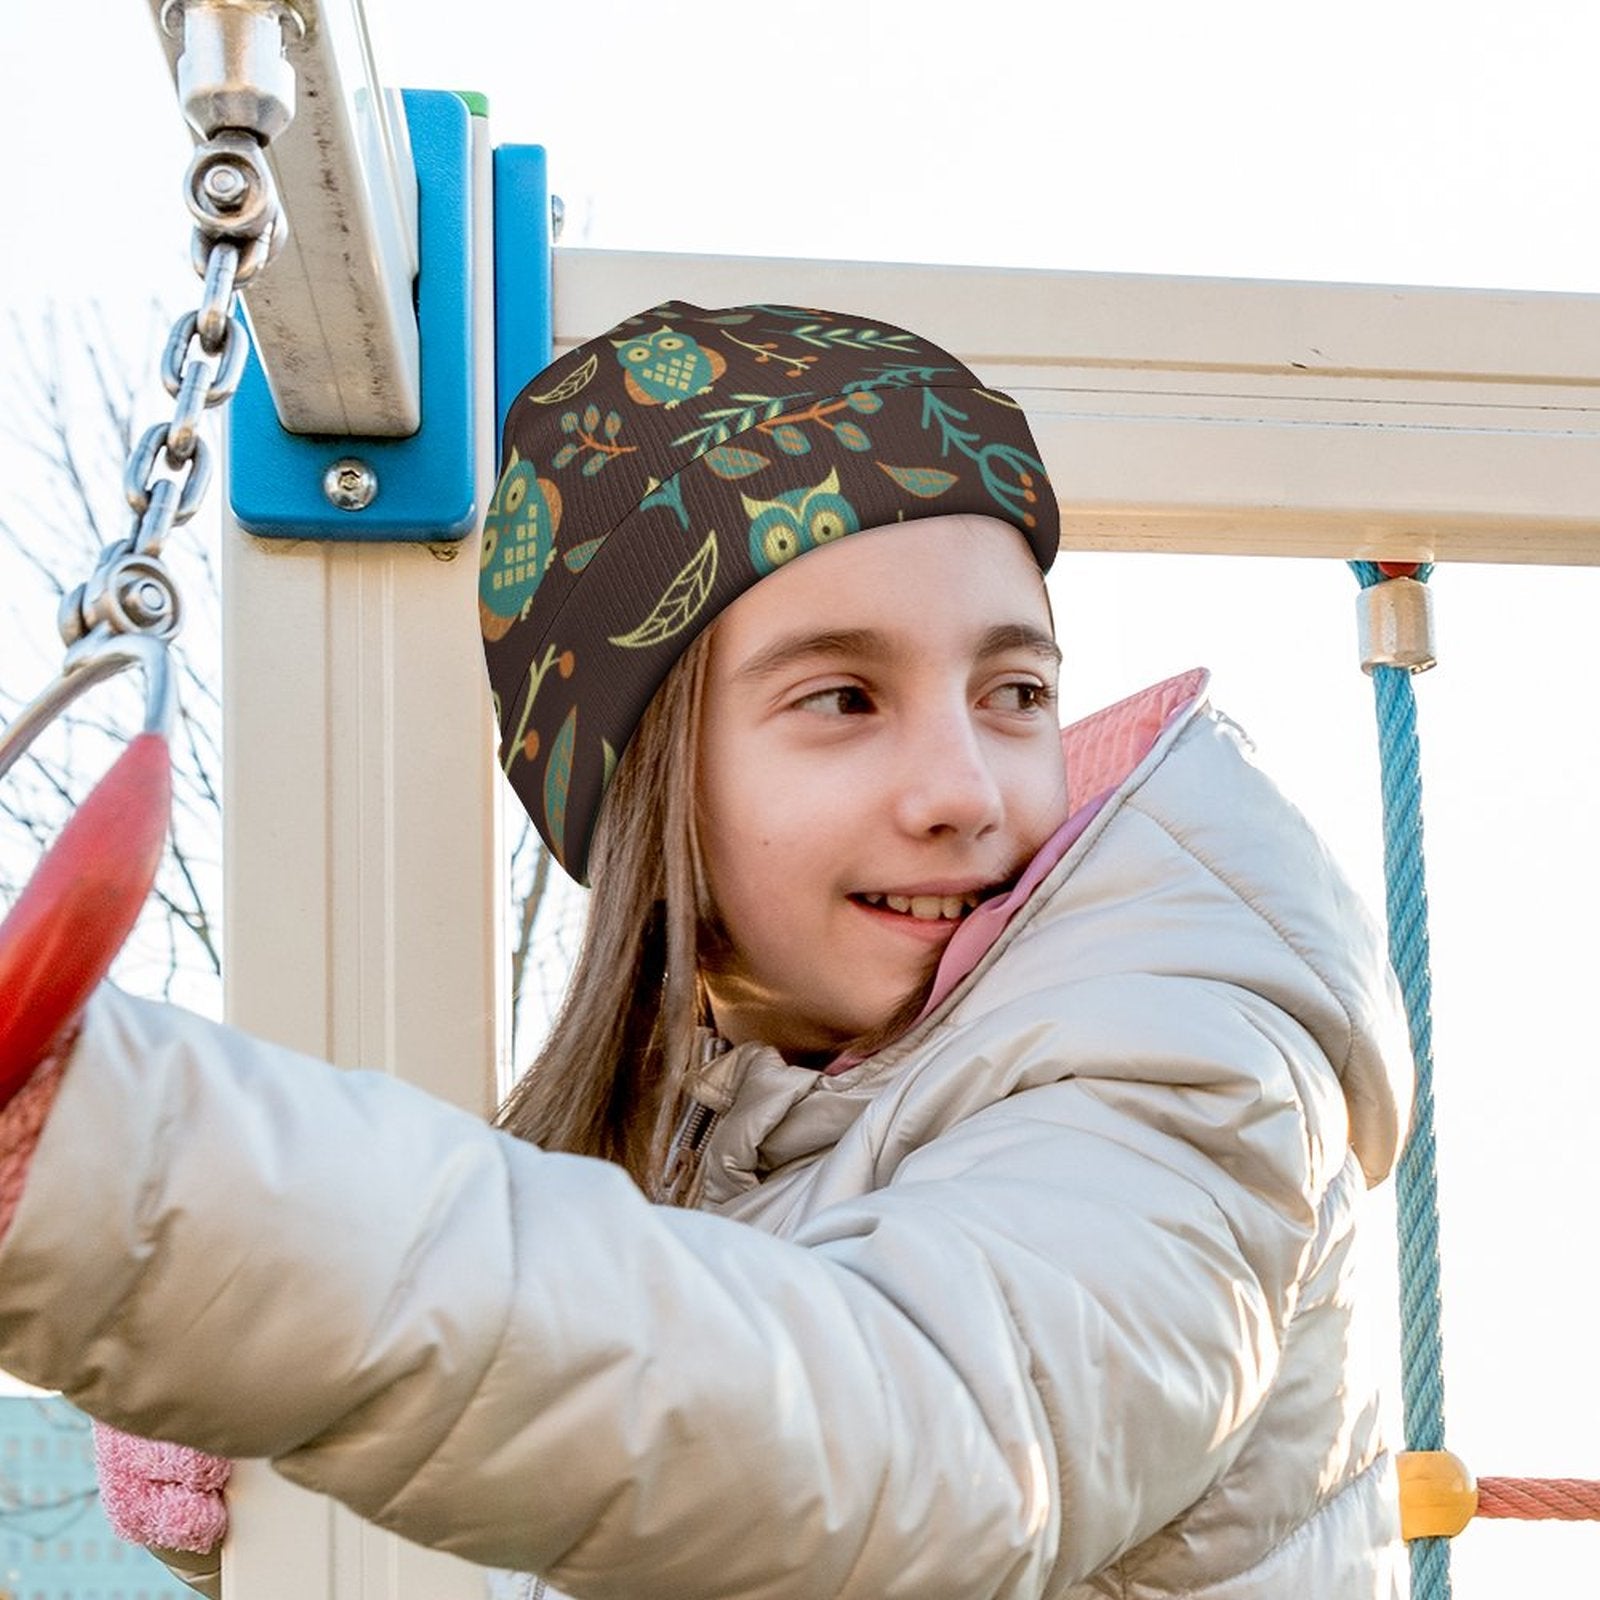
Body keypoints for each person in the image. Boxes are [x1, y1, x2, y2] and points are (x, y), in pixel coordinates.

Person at [0, 302, 1412, 1600]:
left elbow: (901, 1443)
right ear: (647, 787)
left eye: (1017, 690)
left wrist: (153, 1194)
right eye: (846, 697)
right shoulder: (728, 1137)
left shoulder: (1181, 1066)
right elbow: (659, 1443)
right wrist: (267, 1439)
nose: (967, 787)